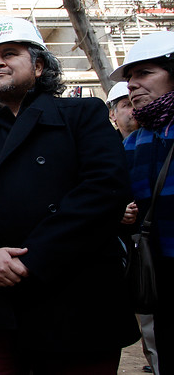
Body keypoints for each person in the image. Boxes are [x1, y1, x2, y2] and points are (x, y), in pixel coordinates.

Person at [0, 17, 140, 374]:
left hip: (75, 301)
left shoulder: (82, 113)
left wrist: (34, 259)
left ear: (39, 65)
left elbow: (104, 189)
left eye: (9, 54)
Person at [110, 30, 174, 375]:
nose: (132, 85)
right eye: (130, 77)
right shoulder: (133, 143)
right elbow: (117, 199)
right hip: (156, 276)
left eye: (144, 73)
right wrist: (120, 213)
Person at [106, 81, 156, 374]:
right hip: (130, 245)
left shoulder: (161, 137)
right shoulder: (108, 148)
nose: (132, 108)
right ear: (113, 113)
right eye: (124, 104)